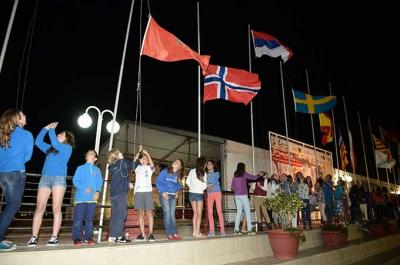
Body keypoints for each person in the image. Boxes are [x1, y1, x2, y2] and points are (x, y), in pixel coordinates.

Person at [28, 122, 75, 247]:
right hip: (45, 178)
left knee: (56, 208)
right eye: (58, 133)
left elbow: (55, 142)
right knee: (40, 207)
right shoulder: (51, 149)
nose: (59, 134)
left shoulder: (67, 148)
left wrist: (52, 130)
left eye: (61, 134)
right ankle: (34, 237)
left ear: (67, 139)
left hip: (59, 179)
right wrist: (45, 128)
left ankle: (54, 237)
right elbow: (38, 142)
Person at [0, 109, 33, 251]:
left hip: (3, 174)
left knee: (8, 206)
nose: (25, 116)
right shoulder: (26, 135)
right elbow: (27, 157)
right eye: (23, 115)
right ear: (18, 119)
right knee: (12, 207)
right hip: (16, 173)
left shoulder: (3, 135)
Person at [72, 150, 103, 246]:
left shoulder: (97, 170)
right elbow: (75, 180)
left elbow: (99, 182)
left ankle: (88, 237)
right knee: (78, 219)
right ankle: (77, 238)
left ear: (95, 158)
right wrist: (84, 188)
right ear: (86, 157)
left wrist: (98, 191)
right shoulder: (80, 168)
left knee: (89, 220)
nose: (91, 155)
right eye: (89, 153)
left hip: (92, 199)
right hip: (80, 198)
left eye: (93, 154)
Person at [107, 148, 134, 243]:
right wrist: (139, 159)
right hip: (121, 193)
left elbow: (122, 176)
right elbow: (132, 165)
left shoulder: (112, 166)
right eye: (120, 152)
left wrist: (127, 182)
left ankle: (112, 236)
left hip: (113, 193)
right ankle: (119, 236)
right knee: (122, 214)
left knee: (115, 215)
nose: (122, 153)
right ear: (116, 155)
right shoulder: (122, 162)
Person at [156, 159, 185, 240]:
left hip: (173, 196)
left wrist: (177, 192)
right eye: (175, 161)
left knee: (172, 215)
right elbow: (158, 182)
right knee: (167, 213)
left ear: (180, 166)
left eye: (178, 162)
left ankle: (175, 233)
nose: (175, 161)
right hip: (164, 194)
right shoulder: (165, 171)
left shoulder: (178, 175)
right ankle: (169, 233)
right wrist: (163, 192)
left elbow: (178, 185)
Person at [133, 146, 156, 242]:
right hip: (138, 192)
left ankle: (150, 234)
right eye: (143, 158)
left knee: (149, 212)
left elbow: (152, 166)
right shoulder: (137, 168)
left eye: (146, 158)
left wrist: (148, 154)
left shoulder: (149, 169)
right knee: (140, 213)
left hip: (147, 192)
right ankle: (142, 234)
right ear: (140, 160)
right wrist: (139, 151)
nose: (145, 159)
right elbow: (133, 162)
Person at [231, 162, 259, 235]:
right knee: (247, 212)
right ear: (243, 167)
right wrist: (259, 175)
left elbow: (232, 187)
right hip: (243, 195)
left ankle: (236, 229)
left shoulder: (235, 175)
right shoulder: (244, 174)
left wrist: (237, 190)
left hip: (236, 196)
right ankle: (250, 230)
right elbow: (253, 177)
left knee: (239, 212)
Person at [186, 156, 208, 238]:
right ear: (203, 163)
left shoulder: (192, 171)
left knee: (195, 213)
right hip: (199, 194)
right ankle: (197, 232)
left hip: (191, 193)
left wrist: (192, 187)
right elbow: (205, 186)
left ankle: (194, 232)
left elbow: (187, 182)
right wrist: (199, 188)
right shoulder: (203, 173)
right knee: (199, 214)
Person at [206, 159, 225, 237]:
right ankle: (211, 230)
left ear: (213, 165)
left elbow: (212, 182)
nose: (208, 165)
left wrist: (207, 184)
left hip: (217, 193)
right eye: (207, 164)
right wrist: (207, 183)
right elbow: (205, 182)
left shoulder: (217, 173)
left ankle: (222, 229)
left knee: (219, 211)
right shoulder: (205, 174)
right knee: (210, 212)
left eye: (210, 164)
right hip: (209, 193)